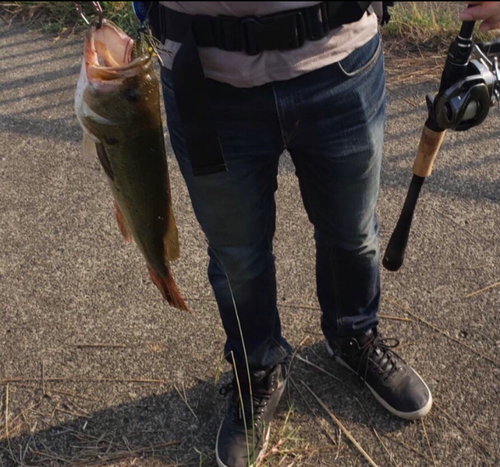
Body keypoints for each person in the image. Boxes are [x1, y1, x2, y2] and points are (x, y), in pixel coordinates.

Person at [144, 2, 500, 467]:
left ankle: (352, 334)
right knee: (237, 256)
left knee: (352, 234)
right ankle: (257, 367)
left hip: (342, 59)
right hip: (204, 75)